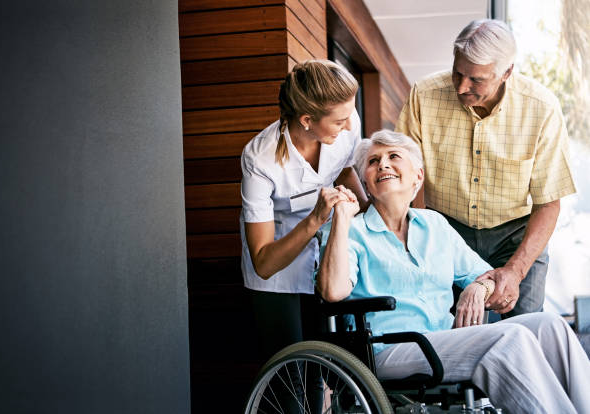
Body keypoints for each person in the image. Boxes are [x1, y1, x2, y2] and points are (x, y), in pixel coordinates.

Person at [316, 129, 590, 414]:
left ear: (417, 177)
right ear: (366, 184)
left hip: (442, 340)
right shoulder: (352, 231)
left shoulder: (434, 225)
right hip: (389, 349)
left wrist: (478, 287)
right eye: (373, 161)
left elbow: (489, 278)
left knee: (550, 326)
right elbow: (333, 291)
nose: (382, 164)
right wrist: (341, 221)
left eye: (393, 156)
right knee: (508, 338)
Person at [396, 19, 576, 319]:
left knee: (526, 331)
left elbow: (548, 202)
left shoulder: (541, 108)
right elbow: (406, 179)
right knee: (451, 330)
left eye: (476, 79)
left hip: (516, 235)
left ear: (506, 72)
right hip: (447, 230)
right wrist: (417, 240)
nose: (461, 86)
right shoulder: (424, 95)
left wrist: (516, 271)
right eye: (457, 73)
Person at [240, 59, 368, 412]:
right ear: (307, 120)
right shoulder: (260, 159)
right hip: (276, 268)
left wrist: (363, 206)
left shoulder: (346, 124)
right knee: (289, 380)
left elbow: (343, 168)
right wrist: (314, 218)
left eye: (349, 117)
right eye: (339, 121)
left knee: (320, 368)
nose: (348, 126)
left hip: (323, 253)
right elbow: (264, 262)